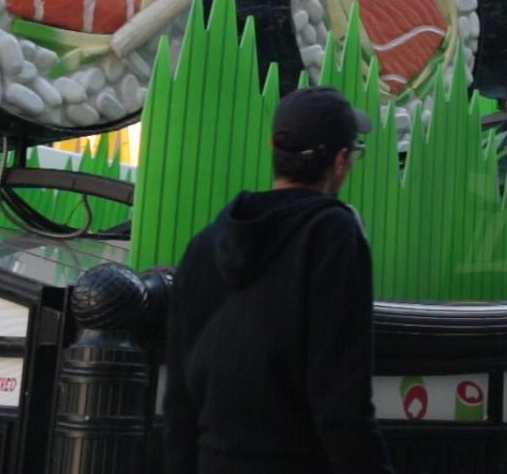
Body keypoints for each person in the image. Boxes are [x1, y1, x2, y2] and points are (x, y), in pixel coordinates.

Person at [163, 85, 394, 474]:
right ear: (339, 161)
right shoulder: (333, 235)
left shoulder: (207, 242)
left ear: (275, 149)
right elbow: (340, 399)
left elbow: (179, 402)